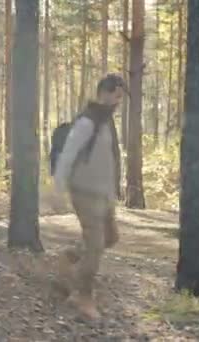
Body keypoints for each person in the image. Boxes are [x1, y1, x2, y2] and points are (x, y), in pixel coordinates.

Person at [53, 74, 124, 320]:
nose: (119, 101)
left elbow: (109, 160)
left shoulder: (106, 122)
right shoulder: (88, 121)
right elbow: (68, 153)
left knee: (111, 237)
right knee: (95, 245)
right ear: (104, 92)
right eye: (116, 95)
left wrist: (113, 192)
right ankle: (82, 296)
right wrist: (59, 187)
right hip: (84, 191)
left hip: (103, 194)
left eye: (120, 97)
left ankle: (70, 257)